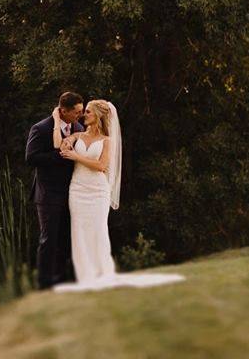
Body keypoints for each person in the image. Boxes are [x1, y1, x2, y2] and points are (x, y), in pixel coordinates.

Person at [53, 99, 185, 292]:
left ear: (98, 115)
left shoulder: (107, 141)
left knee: (98, 230)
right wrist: (57, 121)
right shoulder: (77, 134)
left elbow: (101, 166)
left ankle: (103, 273)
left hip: (98, 191)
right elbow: (59, 146)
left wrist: (76, 157)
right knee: (79, 231)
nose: (84, 115)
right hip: (77, 190)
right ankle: (86, 277)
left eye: (88, 112)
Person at [25, 91, 84, 289]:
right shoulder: (41, 128)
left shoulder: (79, 128)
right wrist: (60, 155)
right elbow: (31, 158)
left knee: (65, 239)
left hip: (72, 192)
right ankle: (44, 284)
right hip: (48, 193)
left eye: (81, 111)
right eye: (76, 112)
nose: (79, 115)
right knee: (48, 239)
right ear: (63, 111)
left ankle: (61, 280)